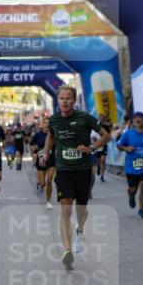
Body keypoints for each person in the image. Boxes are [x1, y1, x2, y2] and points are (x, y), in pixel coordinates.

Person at [40, 86, 110, 270]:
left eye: (68, 98)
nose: (65, 101)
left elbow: (106, 135)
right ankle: (67, 249)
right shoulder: (54, 119)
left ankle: (80, 230)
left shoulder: (84, 117)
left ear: (73, 100)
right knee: (65, 207)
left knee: (81, 209)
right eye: (61, 98)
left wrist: (92, 148)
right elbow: (50, 136)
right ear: (58, 100)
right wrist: (45, 154)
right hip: (63, 170)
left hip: (83, 169)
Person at [117, 112, 143, 218]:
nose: (138, 120)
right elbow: (118, 144)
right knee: (133, 189)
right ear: (133, 121)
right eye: (135, 118)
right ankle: (131, 195)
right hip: (131, 166)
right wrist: (126, 148)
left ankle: (141, 209)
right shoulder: (128, 133)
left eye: (140, 118)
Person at [33, 117, 56, 209]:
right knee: (43, 183)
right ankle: (40, 183)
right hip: (41, 161)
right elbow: (32, 144)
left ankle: (48, 201)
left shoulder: (54, 134)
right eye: (45, 123)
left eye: (48, 123)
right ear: (42, 124)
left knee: (49, 181)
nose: (47, 125)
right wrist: (34, 150)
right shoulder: (38, 135)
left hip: (51, 161)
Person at [94, 114, 112, 182]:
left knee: (103, 160)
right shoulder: (96, 125)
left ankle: (102, 176)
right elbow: (93, 134)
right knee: (99, 160)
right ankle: (98, 167)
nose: (101, 119)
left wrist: (107, 139)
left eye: (102, 118)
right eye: (100, 118)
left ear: (104, 119)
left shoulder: (107, 126)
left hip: (104, 145)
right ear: (98, 118)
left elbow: (109, 135)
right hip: (98, 145)